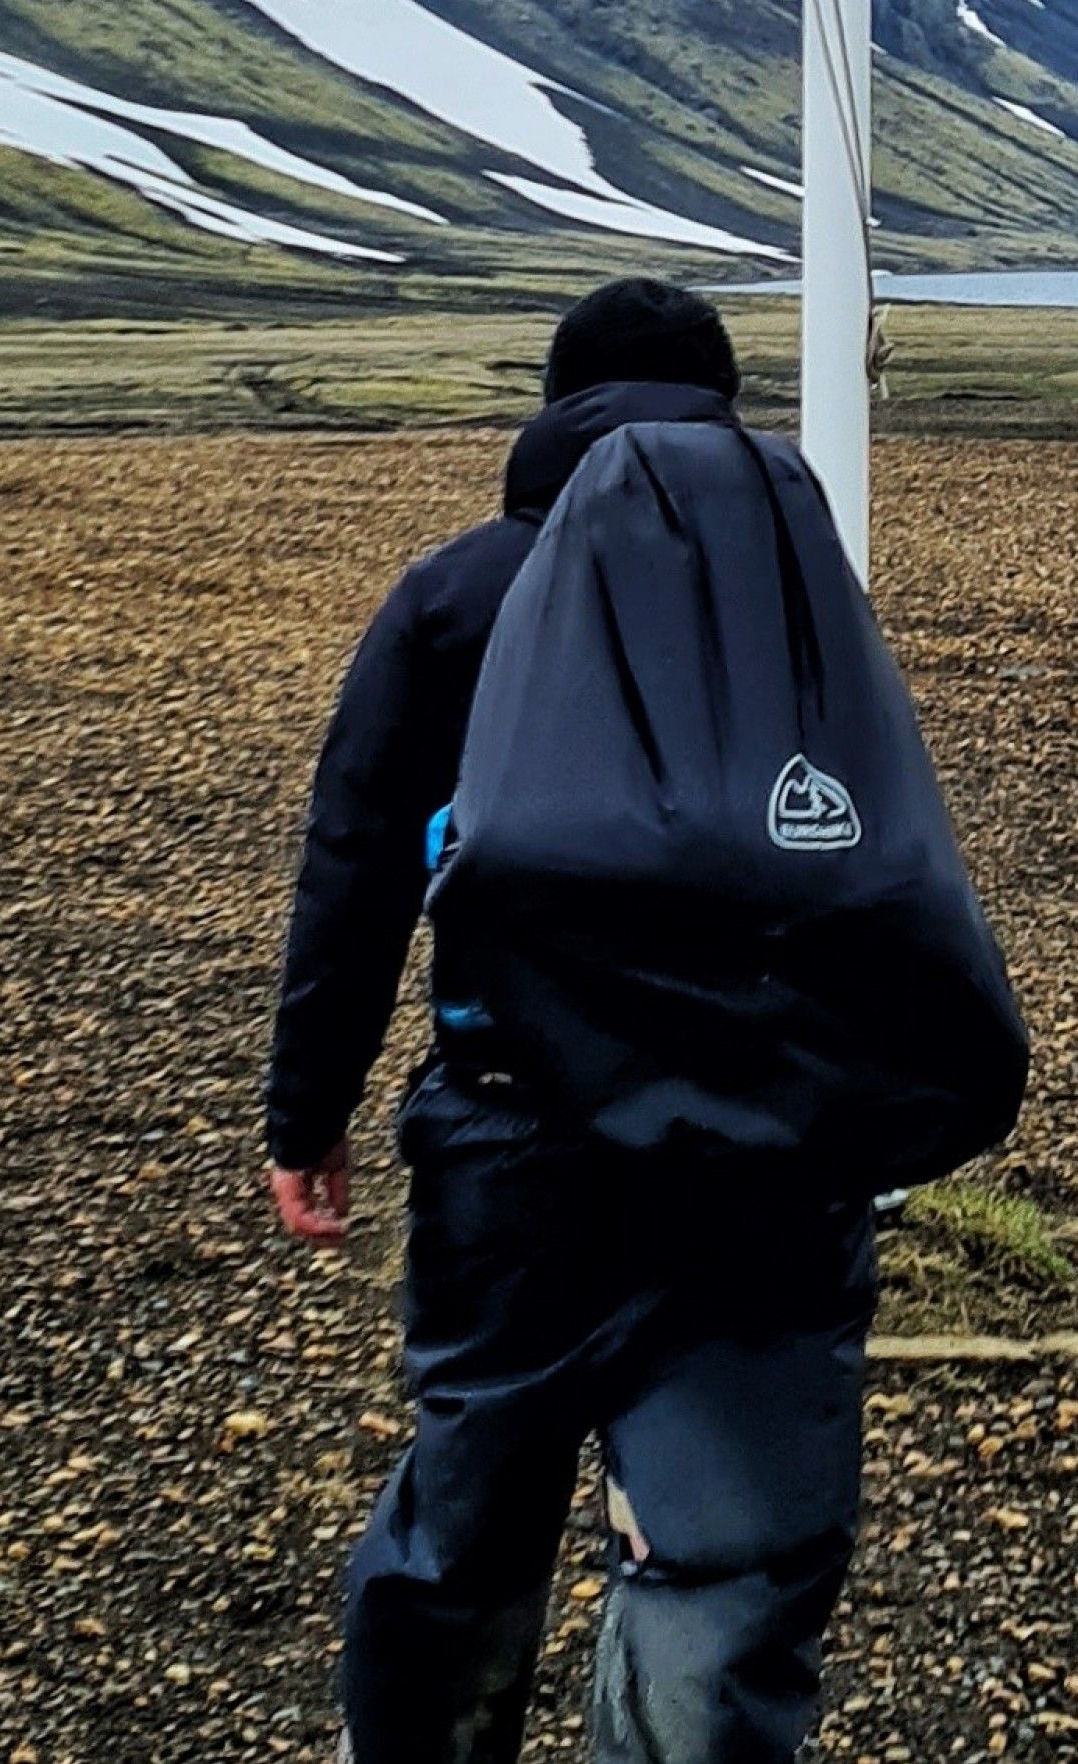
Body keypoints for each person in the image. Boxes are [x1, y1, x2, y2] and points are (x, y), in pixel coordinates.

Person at [265, 277, 881, 1764]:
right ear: (727, 413)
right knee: (732, 1556)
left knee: (469, 1511)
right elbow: (877, 856)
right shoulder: (801, 592)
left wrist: (309, 1110)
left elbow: (355, 861)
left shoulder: (459, 591)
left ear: (556, 412)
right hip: (771, 1136)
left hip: (514, 1132)